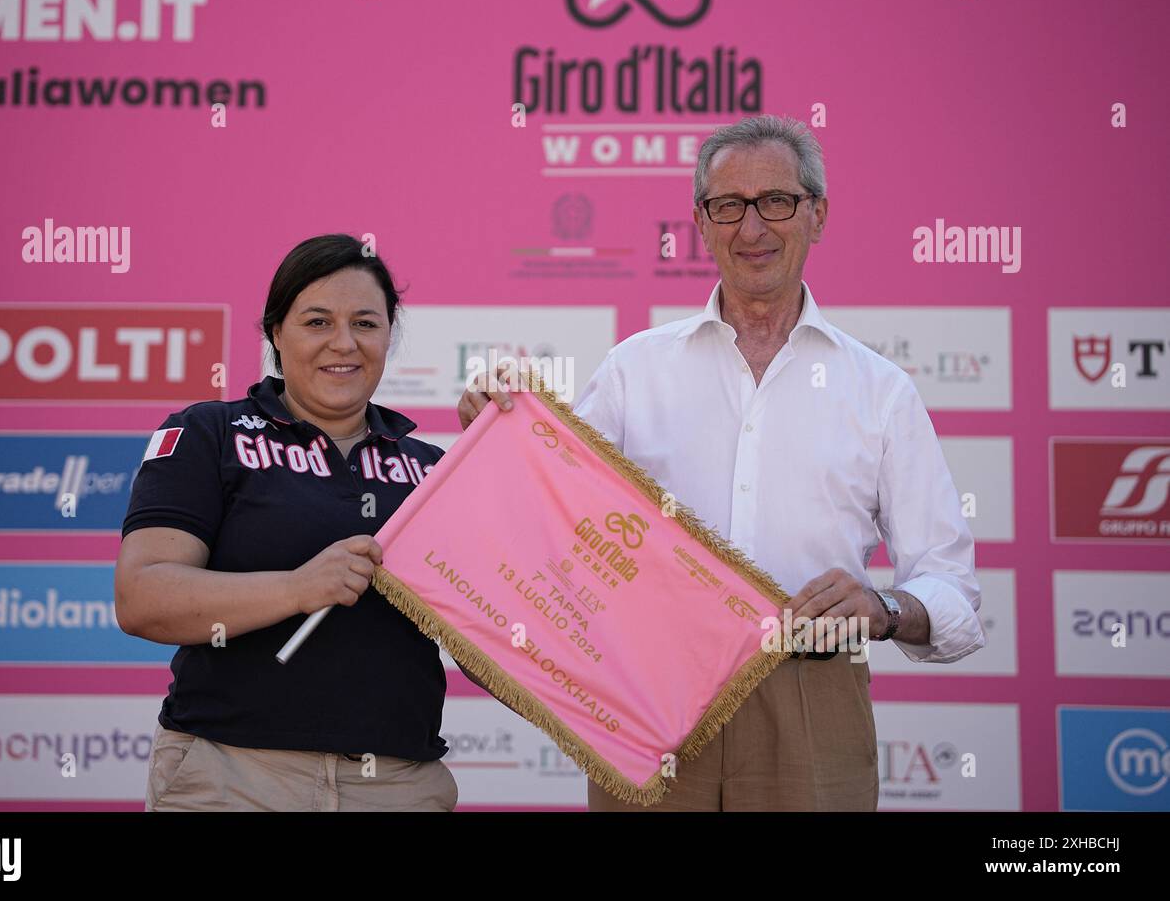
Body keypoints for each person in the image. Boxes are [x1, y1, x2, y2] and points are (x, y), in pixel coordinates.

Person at [458, 115, 984, 811]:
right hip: (650, 702)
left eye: (777, 201)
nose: (753, 228)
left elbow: (951, 589)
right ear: (701, 225)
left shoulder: (881, 390)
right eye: (727, 206)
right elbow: (552, 517)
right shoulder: (633, 370)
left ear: (817, 214)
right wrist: (497, 439)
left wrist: (885, 608)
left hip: (812, 698)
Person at [117, 233, 457, 812]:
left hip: (397, 785)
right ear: (276, 333)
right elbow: (142, 596)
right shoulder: (210, 433)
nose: (343, 343)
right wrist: (298, 587)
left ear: (388, 336)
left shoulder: (434, 470)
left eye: (366, 324)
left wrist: (509, 442)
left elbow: (503, 627)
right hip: (233, 777)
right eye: (318, 321)